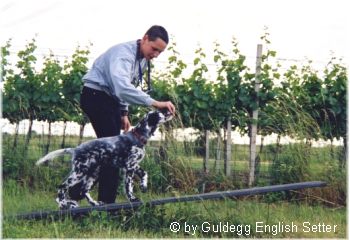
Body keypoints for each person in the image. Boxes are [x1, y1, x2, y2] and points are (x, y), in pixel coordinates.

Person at [80, 25, 176, 204]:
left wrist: (123, 113)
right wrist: (155, 103)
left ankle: (87, 198)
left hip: (109, 100)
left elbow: (127, 85)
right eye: (154, 49)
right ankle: (105, 206)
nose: (155, 55)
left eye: (159, 53)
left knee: (111, 152)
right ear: (145, 38)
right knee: (113, 153)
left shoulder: (142, 58)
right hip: (95, 96)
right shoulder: (124, 54)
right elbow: (122, 87)